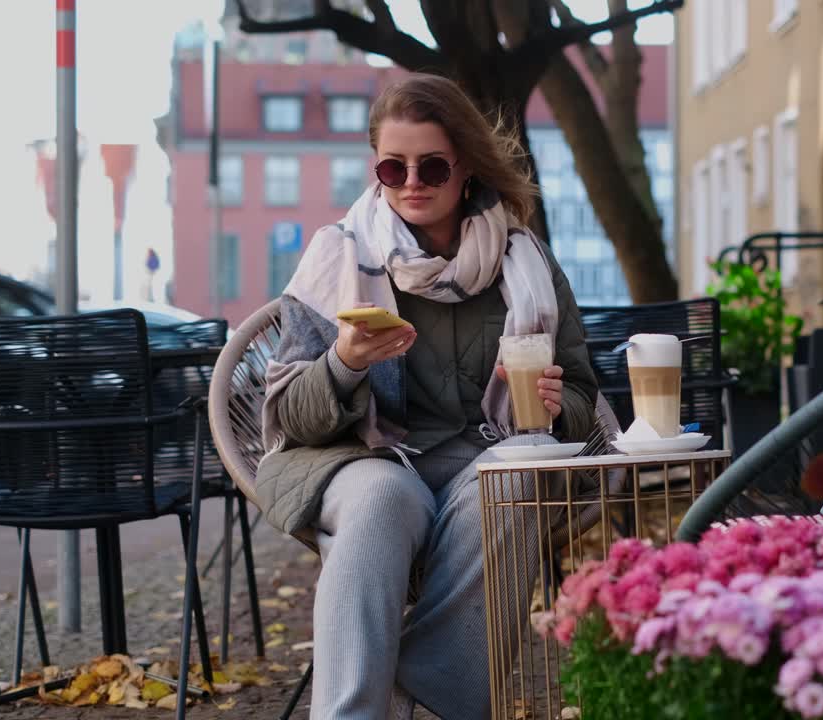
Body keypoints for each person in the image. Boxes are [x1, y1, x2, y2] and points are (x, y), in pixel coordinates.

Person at [255, 74, 598, 719]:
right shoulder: (340, 256)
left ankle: (424, 674)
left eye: (432, 165)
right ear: (376, 170)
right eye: (393, 166)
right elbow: (290, 418)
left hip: (483, 461)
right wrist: (342, 363)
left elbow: (583, 397)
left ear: (463, 167)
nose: (412, 181)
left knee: (520, 476)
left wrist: (556, 405)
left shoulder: (525, 260)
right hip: (363, 459)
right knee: (384, 497)